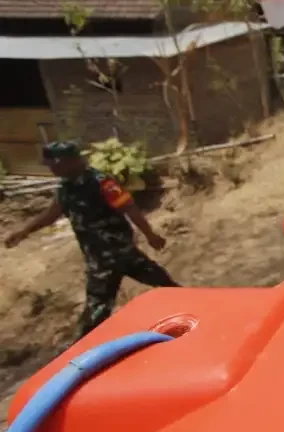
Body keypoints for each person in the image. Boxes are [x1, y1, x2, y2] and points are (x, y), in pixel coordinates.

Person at [5, 141, 181, 338]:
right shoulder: (66, 187)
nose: (51, 169)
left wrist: (150, 235)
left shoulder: (101, 182)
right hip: (106, 256)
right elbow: (52, 214)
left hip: (113, 256)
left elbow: (129, 207)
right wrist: (24, 231)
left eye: (53, 164)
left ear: (68, 161)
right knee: (166, 285)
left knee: (95, 315)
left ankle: (82, 354)